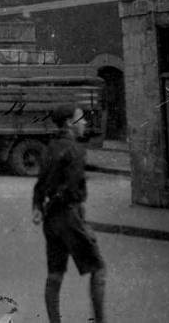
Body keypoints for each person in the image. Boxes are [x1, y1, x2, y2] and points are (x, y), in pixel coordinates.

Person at [32, 104, 106, 323]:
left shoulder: (49, 148)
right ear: (69, 123)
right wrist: (80, 223)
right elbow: (72, 189)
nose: (84, 122)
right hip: (69, 217)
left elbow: (39, 185)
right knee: (98, 268)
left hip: (51, 220)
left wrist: (38, 207)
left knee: (54, 274)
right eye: (80, 118)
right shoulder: (76, 150)